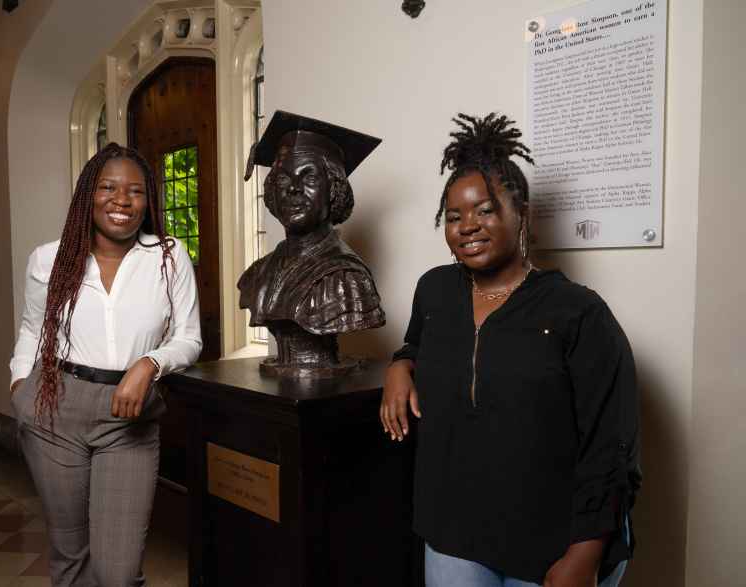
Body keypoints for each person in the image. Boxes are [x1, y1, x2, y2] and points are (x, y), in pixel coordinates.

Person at [380, 113, 640, 587]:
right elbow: (421, 342)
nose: (467, 226)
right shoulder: (435, 292)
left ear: (522, 212)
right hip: (453, 530)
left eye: (485, 210)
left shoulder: (577, 312)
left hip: (551, 540)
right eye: (454, 216)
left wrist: (585, 554)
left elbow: (611, 443)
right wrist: (400, 364)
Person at [9, 142, 202, 586]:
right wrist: (21, 385)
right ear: (87, 196)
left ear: (147, 200)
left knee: (118, 572)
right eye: (108, 188)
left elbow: (189, 337)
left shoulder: (169, 257)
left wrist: (149, 364)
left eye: (135, 191)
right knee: (70, 556)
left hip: (129, 417)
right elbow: (32, 328)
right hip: (55, 407)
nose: (122, 200)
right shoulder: (49, 258)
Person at [239, 111, 385, 374]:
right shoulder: (257, 273)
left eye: (309, 177)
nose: (293, 188)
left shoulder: (347, 277)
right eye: (283, 178)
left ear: (333, 190)